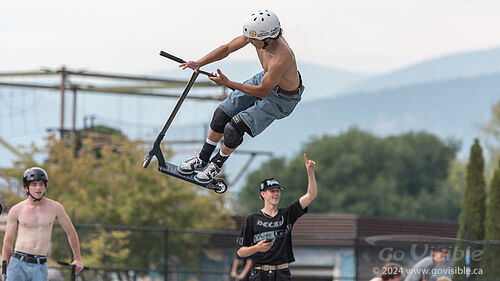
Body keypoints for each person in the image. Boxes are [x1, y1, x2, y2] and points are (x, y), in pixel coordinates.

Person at [177, 9, 304, 184]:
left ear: (267, 40)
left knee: (234, 127)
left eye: (253, 40)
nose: (249, 42)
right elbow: (227, 48)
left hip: (282, 98)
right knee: (222, 113)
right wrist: (199, 62)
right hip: (266, 79)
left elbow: (262, 92)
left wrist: (227, 83)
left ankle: (216, 165)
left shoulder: (281, 58)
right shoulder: (258, 36)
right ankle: (202, 158)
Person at [236, 154, 317, 281]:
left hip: (281, 273)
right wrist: (256, 248)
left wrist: (310, 173)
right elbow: (240, 252)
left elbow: (311, 195)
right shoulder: (252, 218)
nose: (276, 194)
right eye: (272, 191)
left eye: (278, 191)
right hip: (259, 273)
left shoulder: (287, 214)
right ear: (263, 194)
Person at [1, 167, 84, 281]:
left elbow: (71, 232)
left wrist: (77, 258)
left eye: (41, 184)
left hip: (40, 266)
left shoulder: (56, 208)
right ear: (26, 188)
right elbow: (8, 242)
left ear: (45, 187)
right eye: (34, 184)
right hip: (18, 264)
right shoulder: (17, 210)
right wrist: (4, 270)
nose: (38, 188)